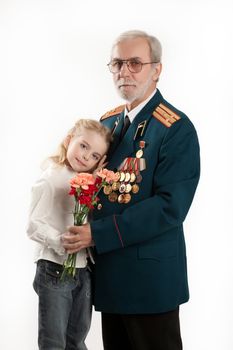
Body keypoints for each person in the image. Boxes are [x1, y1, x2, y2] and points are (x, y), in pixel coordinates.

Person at [62, 30, 200, 350]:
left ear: (157, 70)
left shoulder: (176, 128)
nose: (125, 71)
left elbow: (170, 207)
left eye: (135, 63)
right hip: (110, 275)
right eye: (117, 63)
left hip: (151, 281)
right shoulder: (107, 123)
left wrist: (96, 233)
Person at [27, 119, 112, 350]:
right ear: (68, 140)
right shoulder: (51, 179)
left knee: (77, 339)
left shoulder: (89, 182)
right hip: (54, 267)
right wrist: (59, 241)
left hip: (83, 269)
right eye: (83, 146)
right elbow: (33, 225)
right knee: (54, 342)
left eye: (95, 155)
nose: (86, 157)